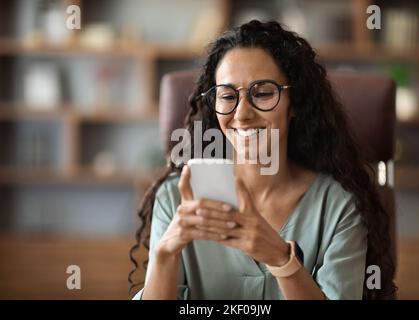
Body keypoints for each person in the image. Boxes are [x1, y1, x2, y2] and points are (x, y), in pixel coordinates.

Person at [129, 20, 396, 300]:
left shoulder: (339, 206)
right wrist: (164, 256)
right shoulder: (176, 198)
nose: (242, 114)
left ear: (296, 102)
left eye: (263, 93)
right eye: (227, 96)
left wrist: (282, 260)